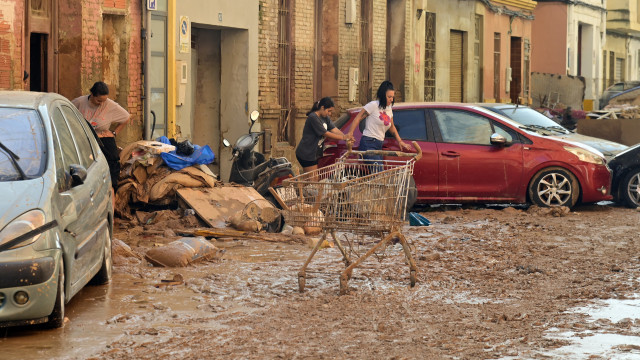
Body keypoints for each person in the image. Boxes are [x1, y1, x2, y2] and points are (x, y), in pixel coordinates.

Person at [72, 81, 130, 190]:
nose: (101, 103)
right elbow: (68, 116)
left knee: (112, 162)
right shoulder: (79, 102)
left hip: (103, 139)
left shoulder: (109, 105)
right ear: (92, 95)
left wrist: (114, 132)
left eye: (104, 101)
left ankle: (111, 188)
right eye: (99, 100)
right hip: (83, 141)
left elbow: (126, 117)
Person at [346, 80, 411, 165]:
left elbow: (392, 126)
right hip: (369, 143)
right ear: (383, 95)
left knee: (378, 175)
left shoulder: (389, 108)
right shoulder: (373, 105)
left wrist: (400, 141)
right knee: (378, 172)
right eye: (389, 97)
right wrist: (350, 134)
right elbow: (358, 118)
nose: (391, 99)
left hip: (379, 144)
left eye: (392, 97)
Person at [295, 97, 352, 173]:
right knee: (313, 180)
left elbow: (334, 129)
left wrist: (346, 138)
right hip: (307, 153)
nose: (330, 114)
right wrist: (343, 137)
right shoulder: (313, 117)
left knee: (312, 180)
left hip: (315, 153)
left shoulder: (325, 117)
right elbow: (325, 133)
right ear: (322, 107)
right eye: (329, 111)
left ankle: (300, 185)